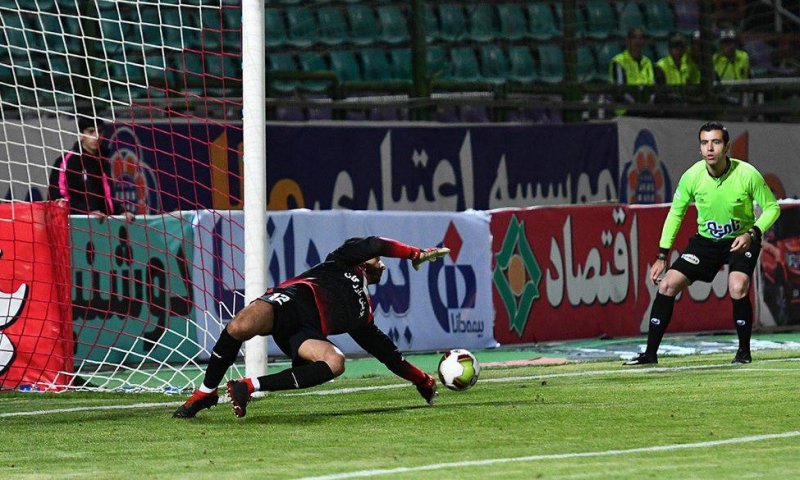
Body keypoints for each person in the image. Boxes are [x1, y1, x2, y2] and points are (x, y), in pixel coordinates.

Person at [173, 236, 450, 418]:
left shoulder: (363, 316)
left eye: (382, 261)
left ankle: (248, 386)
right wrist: (414, 253)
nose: (383, 264)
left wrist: (422, 380)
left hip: (305, 333)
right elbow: (376, 243)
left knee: (336, 362)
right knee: (240, 325)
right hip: (291, 301)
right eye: (378, 260)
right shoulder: (342, 260)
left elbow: (392, 358)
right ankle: (206, 392)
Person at [624, 122, 780, 366]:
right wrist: (662, 255)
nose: (710, 148)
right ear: (700, 148)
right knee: (666, 285)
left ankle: (743, 353)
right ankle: (649, 355)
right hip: (706, 242)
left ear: (727, 147)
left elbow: (772, 208)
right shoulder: (692, 176)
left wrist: (753, 232)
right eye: (705, 143)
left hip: (741, 239)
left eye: (716, 142)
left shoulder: (747, 174)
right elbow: (676, 214)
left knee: (738, 286)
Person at [48, 115, 133, 219]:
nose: (96, 136)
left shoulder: (104, 161)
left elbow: (108, 197)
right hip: (77, 225)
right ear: (81, 134)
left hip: (103, 224)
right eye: (91, 131)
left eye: (100, 131)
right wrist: (87, 212)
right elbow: (58, 198)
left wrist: (122, 211)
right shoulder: (67, 162)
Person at [609, 27, 654, 115]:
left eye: (640, 38)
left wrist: (648, 103)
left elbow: (652, 86)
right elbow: (620, 90)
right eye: (634, 37)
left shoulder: (647, 62)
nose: (637, 41)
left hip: (645, 108)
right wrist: (637, 105)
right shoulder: (618, 61)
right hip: (626, 110)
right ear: (628, 40)